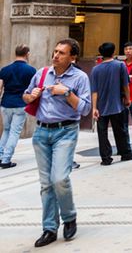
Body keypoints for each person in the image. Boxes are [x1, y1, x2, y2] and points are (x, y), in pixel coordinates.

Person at [22, 38, 91, 247]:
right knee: (46, 184)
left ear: (72, 57)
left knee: (59, 178)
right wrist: (30, 96)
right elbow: (25, 96)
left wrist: (66, 92)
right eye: (55, 51)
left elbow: (85, 109)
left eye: (61, 53)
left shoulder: (80, 78)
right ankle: (49, 228)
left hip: (66, 131)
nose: (55, 55)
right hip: (41, 132)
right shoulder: (42, 73)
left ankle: (69, 216)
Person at [90, 42, 132, 165]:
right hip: (117, 105)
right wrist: (128, 98)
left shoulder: (95, 69)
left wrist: (94, 107)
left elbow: (94, 90)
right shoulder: (120, 65)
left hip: (101, 106)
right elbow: (125, 84)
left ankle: (106, 158)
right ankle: (125, 153)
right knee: (120, 130)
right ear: (113, 52)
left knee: (102, 133)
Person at [0, 44, 34, 168]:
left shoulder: (5, 69)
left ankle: (0, 156)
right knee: (14, 132)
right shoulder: (31, 70)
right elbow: (33, 90)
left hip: (5, 104)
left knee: (6, 130)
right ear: (27, 54)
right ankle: (6, 160)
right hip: (20, 104)